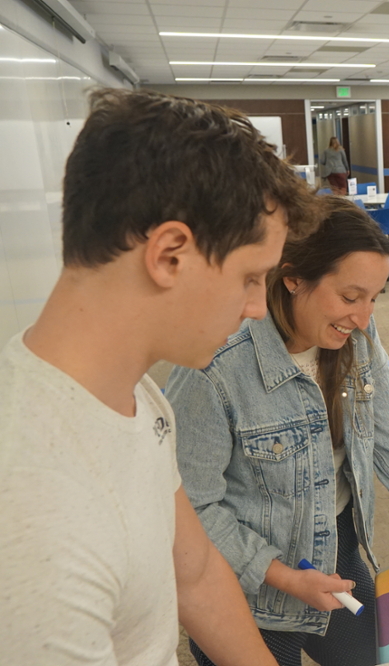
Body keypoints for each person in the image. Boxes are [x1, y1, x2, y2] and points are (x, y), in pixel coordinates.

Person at [0, 88, 319, 665]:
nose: (255, 308)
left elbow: (193, 574)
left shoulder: (136, 396)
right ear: (170, 254)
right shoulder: (32, 515)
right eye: (251, 277)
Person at [166, 197, 389, 666]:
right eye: (350, 297)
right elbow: (193, 507)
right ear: (292, 277)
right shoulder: (215, 366)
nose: (364, 318)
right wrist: (282, 575)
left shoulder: (358, 338)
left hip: (338, 552)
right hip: (248, 590)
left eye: (374, 297)